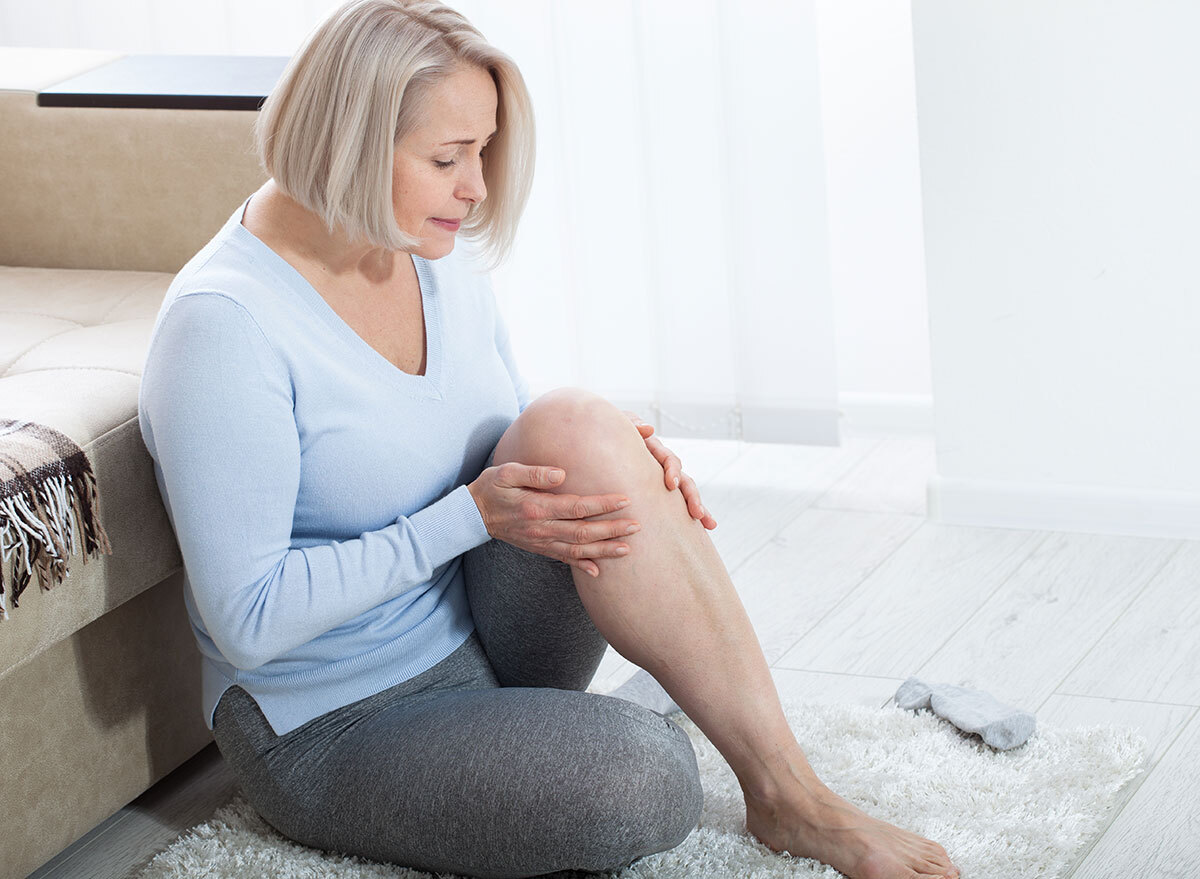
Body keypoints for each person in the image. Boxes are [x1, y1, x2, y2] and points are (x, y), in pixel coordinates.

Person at [137, 2, 960, 877]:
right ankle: (589, 741)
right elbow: (248, 619)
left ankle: (791, 793)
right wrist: (468, 518)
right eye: (448, 158)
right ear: (349, 142)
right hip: (330, 721)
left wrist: (612, 457)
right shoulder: (225, 328)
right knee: (648, 779)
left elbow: (509, 437)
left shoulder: (421, 251)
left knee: (578, 424)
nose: (477, 186)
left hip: (475, 634)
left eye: (481, 153)